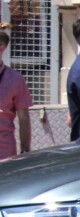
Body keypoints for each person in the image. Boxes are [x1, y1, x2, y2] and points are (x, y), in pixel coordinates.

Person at [0, 22, 33, 159]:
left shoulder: (15, 78)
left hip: (4, 154)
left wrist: (25, 151)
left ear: (1, 48)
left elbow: (24, 118)